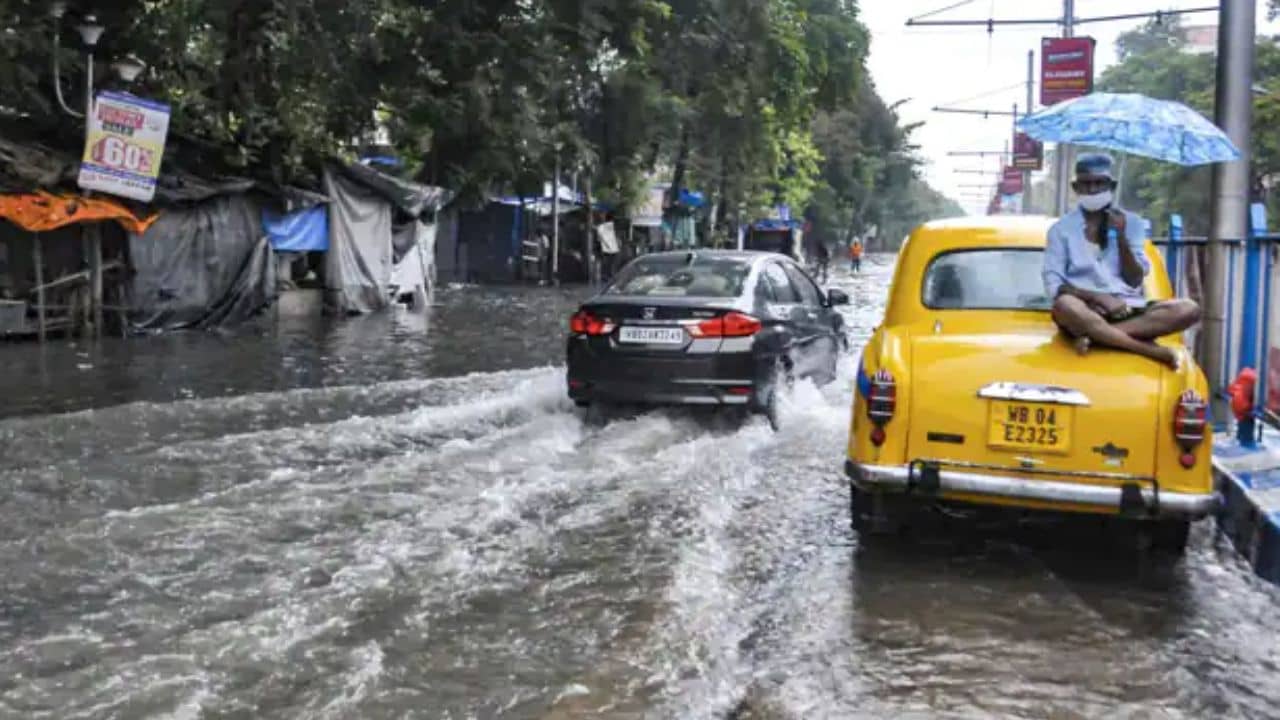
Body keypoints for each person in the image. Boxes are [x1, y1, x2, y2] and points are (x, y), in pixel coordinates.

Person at [1044, 153, 1200, 368]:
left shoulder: (1132, 223)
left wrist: (1121, 236)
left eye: (1099, 184)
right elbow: (1055, 286)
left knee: (1188, 309)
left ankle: (1098, 339)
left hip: (1129, 310)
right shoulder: (1060, 231)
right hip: (1083, 312)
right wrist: (1099, 297)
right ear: (1075, 187)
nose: (1092, 190)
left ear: (1112, 185)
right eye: (1086, 184)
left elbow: (1135, 279)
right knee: (1064, 305)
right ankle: (1148, 350)